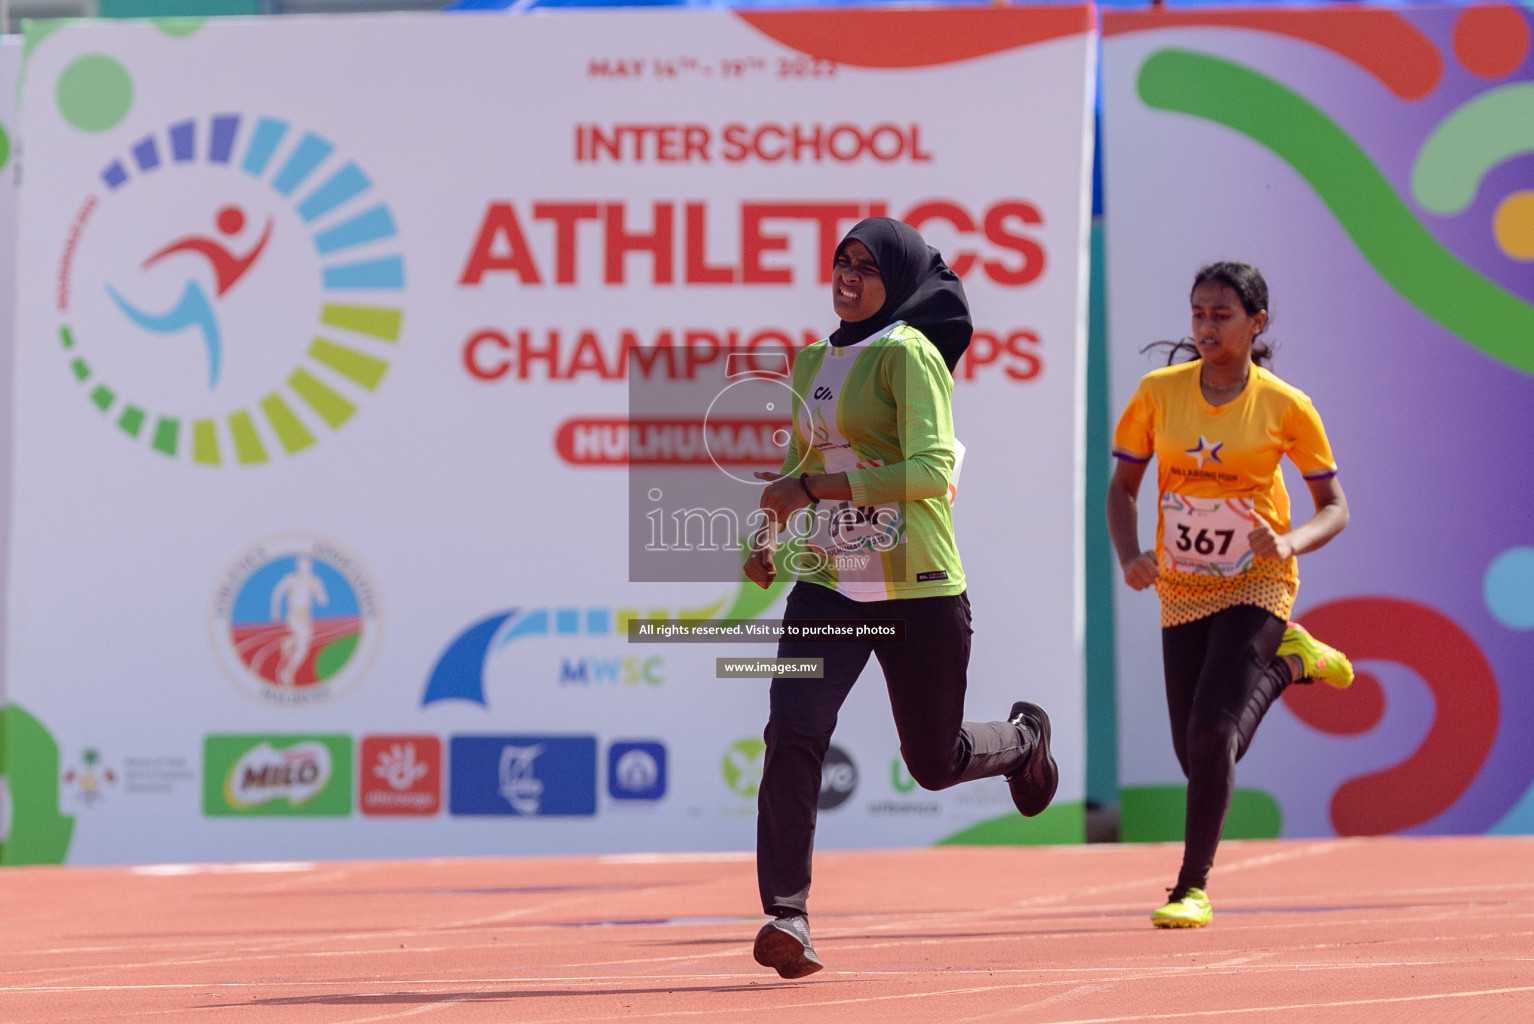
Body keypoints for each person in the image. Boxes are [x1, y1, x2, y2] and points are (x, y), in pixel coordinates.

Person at [741, 217, 1059, 979]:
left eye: (868, 266)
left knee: (933, 761)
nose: (849, 275)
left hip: (918, 588)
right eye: (840, 261)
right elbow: (796, 466)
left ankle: (1022, 742)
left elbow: (927, 471)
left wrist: (813, 485)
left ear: (901, 280)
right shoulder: (815, 358)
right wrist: (770, 542)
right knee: (793, 730)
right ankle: (788, 915)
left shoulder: (910, 355)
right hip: (830, 586)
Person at [1106, 261, 1354, 929]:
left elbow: (1334, 506)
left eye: (1221, 315)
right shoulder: (1159, 393)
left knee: (1214, 730)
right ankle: (1291, 663)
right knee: (1198, 753)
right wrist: (1131, 554)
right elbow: (1123, 489)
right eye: (1198, 314)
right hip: (1183, 584)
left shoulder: (1285, 405)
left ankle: (1190, 887)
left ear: (1256, 323)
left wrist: (1292, 541)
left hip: (1259, 580)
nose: (1206, 326)